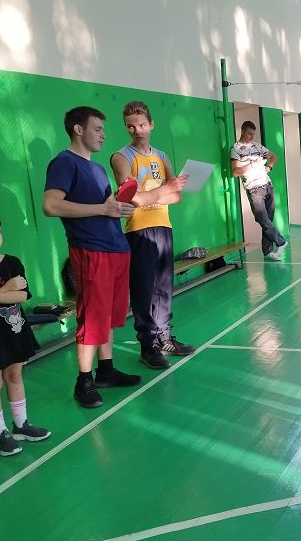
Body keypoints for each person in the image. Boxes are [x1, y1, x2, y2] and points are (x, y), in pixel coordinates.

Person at [43, 106, 142, 408]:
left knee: (108, 315)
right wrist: (102, 208)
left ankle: (106, 371)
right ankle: (83, 381)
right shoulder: (64, 162)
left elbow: (107, 208)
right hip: (90, 250)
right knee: (92, 317)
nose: (103, 135)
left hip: (116, 249)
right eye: (97, 129)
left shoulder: (98, 169)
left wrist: (120, 208)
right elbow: (51, 205)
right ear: (78, 129)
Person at [110, 101, 195, 370]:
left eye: (142, 124)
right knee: (144, 290)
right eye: (130, 126)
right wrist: (162, 191)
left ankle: (164, 338)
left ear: (151, 124)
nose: (137, 130)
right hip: (138, 230)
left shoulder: (161, 156)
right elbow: (131, 197)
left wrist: (150, 195)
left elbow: (177, 196)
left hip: (164, 226)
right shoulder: (121, 157)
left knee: (164, 288)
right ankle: (147, 346)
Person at [0, 212, 51, 456]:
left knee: (15, 374)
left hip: (13, 329)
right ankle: (0, 435)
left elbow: (22, 295)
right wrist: (7, 288)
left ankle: (21, 425)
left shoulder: (12, 262)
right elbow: (12, 291)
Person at [230, 121, 287, 261]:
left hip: (267, 186)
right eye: (249, 133)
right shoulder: (235, 149)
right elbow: (235, 172)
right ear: (242, 131)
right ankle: (281, 242)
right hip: (254, 189)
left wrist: (269, 167)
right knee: (263, 220)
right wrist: (252, 165)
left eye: (253, 134)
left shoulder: (258, 146)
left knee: (268, 221)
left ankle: (267, 252)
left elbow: (274, 156)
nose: (252, 136)